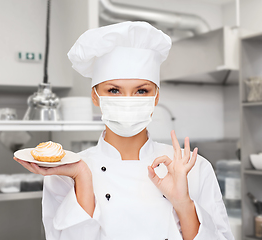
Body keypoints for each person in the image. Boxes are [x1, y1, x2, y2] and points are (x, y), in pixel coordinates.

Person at [14, 21, 233, 240]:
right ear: (95, 96)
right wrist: (82, 177)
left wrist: (183, 204)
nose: (127, 101)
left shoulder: (193, 169)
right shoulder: (66, 173)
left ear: (156, 96)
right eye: (114, 90)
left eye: (141, 91)